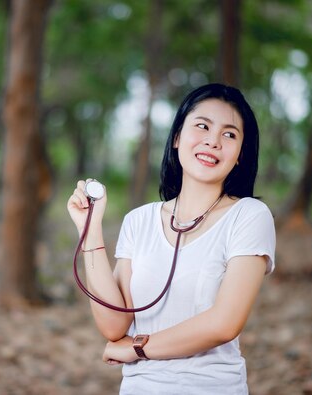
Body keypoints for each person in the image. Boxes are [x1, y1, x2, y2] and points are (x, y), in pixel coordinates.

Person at [67, 83, 276, 394]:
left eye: (229, 134)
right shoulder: (139, 220)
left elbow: (224, 323)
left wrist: (138, 348)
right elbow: (114, 325)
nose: (213, 141)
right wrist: (90, 230)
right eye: (202, 126)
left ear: (240, 155)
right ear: (177, 137)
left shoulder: (249, 216)